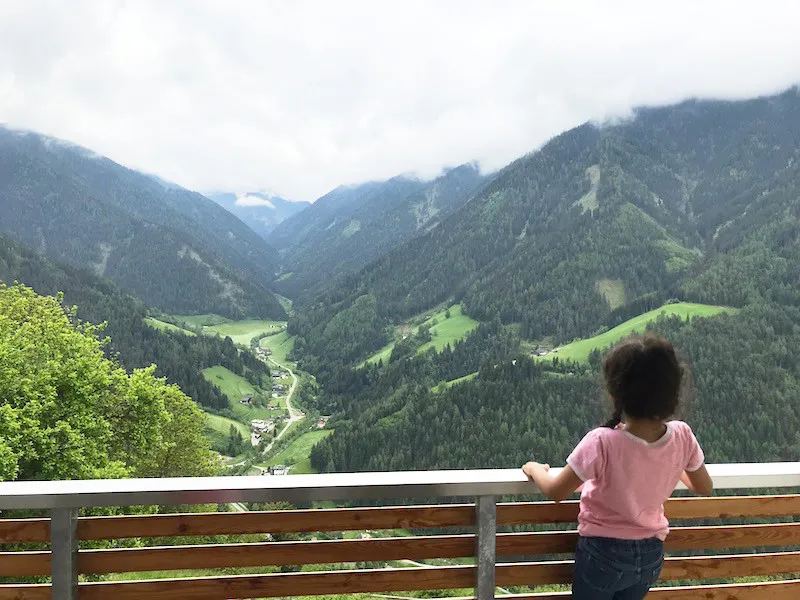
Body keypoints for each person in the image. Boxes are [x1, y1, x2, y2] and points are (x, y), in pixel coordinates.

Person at [522, 334, 713, 600]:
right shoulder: (682, 436)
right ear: (672, 391)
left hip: (603, 554)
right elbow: (704, 486)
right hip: (650, 555)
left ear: (616, 392)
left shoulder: (602, 442)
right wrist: (669, 458)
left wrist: (534, 469)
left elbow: (555, 491)